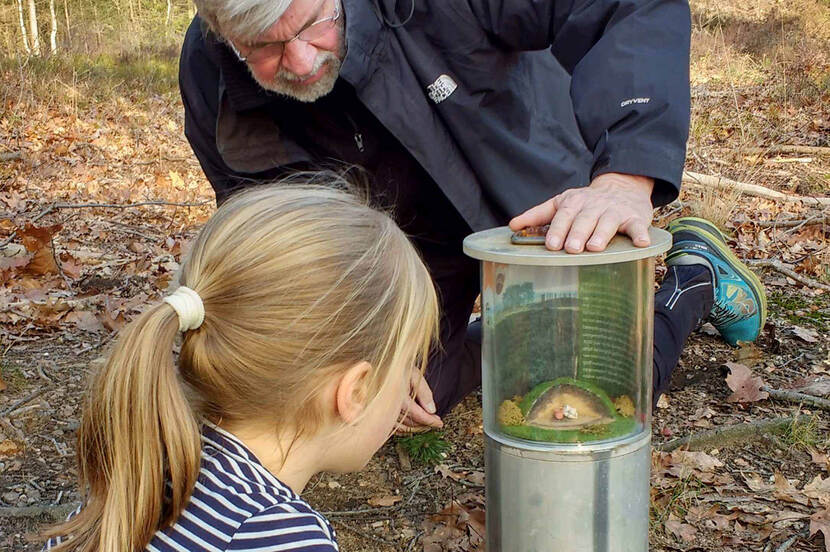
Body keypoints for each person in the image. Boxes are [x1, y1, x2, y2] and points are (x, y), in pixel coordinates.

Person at [177, 0, 766, 431]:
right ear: (222, 34)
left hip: (530, 198)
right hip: (401, 250)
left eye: (313, 25)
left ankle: (694, 276)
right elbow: (280, 238)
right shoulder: (210, 78)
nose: (302, 62)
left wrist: (624, 176)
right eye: (267, 48)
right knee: (366, 410)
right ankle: (520, 340)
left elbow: (627, 7)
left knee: (603, 387)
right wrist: (359, 343)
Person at [42, 184, 439, 551]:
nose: (409, 382)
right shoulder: (282, 537)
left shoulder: (142, 471)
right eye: (407, 363)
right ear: (356, 391)